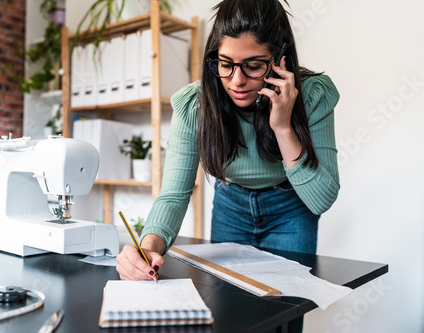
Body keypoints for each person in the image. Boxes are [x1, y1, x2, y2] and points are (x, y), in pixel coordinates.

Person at [116, 0, 340, 282]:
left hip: (291, 210)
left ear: (280, 60)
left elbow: (320, 199)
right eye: (225, 64)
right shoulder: (194, 105)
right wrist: (147, 247)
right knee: (230, 309)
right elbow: (174, 195)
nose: (236, 81)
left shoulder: (312, 96)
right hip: (231, 208)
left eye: (253, 66)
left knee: (285, 310)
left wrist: (283, 126)